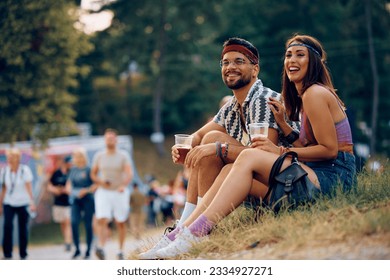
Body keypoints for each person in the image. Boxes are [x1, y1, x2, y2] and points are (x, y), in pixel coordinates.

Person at [150, 34, 357, 259]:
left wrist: (281, 150)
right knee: (228, 161)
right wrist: (286, 130)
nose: (292, 60)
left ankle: (195, 233)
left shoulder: (313, 94)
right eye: (288, 55)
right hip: (307, 177)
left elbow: (329, 151)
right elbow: (310, 146)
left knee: (245, 156)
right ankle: (186, 232)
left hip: (333, 179)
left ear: (314, 62)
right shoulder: (302, 96)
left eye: (300, 55)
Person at [138, 37, 299, 259]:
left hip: (284, 185)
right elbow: (202, 133)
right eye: (225, 62)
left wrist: (217, 148)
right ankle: (184, 227)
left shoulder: (263, 99)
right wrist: (186, 145)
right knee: (211, 138)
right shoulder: (233, 105)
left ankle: (192, 230)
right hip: (259, 181)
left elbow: (263, 158)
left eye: (239, 61)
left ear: (255, 69)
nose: (230, 67)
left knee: (214, 142)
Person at [91, 128, 133, 260]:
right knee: (101, 219)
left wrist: (123, 185)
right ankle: (101, 247)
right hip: (104, 191)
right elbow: (93, 174)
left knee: (120, 221)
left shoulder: (123, 155)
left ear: (116, 140)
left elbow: (129, 173)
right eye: (107, 138)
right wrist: (100, 181)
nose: (110, 140)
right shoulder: (99, 156)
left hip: (119, 191)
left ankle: (120, 250)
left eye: (112, 138)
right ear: (104, 140)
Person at [0, 147, 35, 260]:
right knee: (7, 226)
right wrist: (0, 204)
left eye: (12, 157)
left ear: (17, 158)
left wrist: (31, 202)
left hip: (23, 202)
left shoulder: (24, 170)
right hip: (9, 202)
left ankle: (23, 253)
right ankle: (7, 253)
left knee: (22, 227)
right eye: (8, 157)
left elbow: (29, 188)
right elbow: (4, 188)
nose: (9, 160)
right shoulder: (4, 171)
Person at [65, 148, 96, 259]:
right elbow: (68, 185)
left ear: (83, 157)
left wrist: (86, 190)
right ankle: (77, 249)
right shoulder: (73, 170)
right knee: (74, 222)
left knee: (88, 224)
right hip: (76, 199)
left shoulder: (89, 169)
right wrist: (71, 191)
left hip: (88, 199)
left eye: (78, 156)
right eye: (75, 156)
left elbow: (95, 185)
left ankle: (88, 250)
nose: (76, 158)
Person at [47, 155, 72, 252]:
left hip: (69, 202)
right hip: (58, 202)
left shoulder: (71, 173)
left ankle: (68, 242)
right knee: (63, 223)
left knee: (68, 221)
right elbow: (49, 185)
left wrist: (66, 190)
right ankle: (67, 240)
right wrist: (55, 190)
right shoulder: (56, 173)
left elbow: (71, 187)